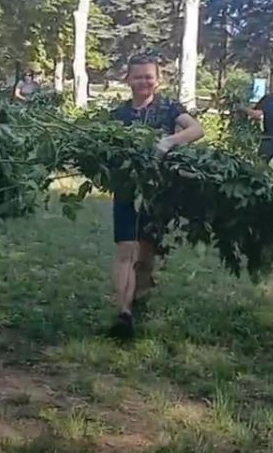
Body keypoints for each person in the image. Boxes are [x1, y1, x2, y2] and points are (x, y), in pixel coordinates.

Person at [109, 54, 205, 338]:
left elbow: (197, 129)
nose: (143, 82)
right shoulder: (119, 115)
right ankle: (124, 313)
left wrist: (169, 141)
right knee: (127, 249)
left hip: (158, 191)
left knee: (146, 253)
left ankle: (142, 287)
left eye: (149, 76)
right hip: (127, 188)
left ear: (157, 79)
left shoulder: (168, 108)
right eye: (138, 76)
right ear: (128, 79)